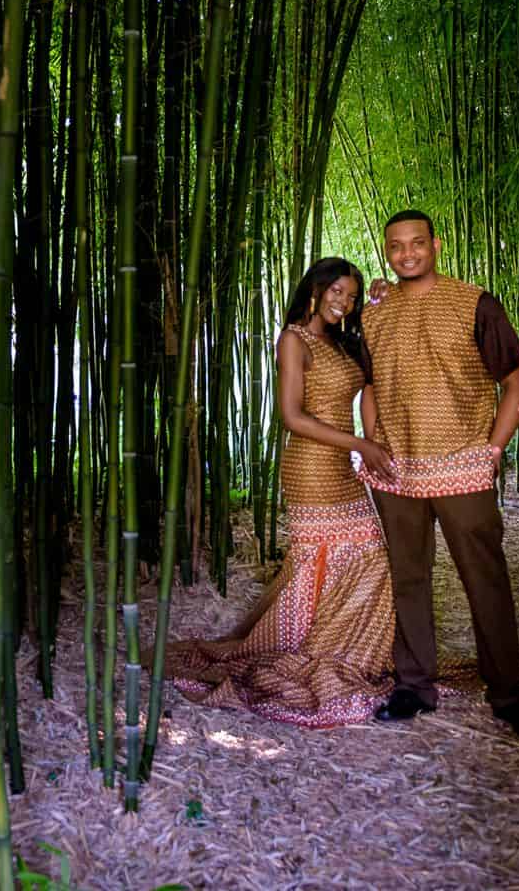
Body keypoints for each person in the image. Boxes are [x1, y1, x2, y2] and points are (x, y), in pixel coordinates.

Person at [163, 257, 398, 728]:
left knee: (367, 558)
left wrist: (382, 301)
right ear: (315, 289)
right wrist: (360, 445)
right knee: (326, 562)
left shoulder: (343, 341)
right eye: (337, 292)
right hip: (310, 465)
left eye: (351, 297)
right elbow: (292, 416)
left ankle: (343, 649)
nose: (344, 302)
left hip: (339, 463)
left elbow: (374, 377)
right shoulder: (294, 340)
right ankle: (317, 649)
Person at [360, 209, 519, 740]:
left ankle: (509, 695)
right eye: (396, 246)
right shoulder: (374, 314)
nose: (407, 254)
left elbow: (517, 382)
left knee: (484, 579)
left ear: (436, 245)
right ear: (386, 251)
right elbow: (370, 385)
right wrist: (373, 440)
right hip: (397, 469)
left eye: (416, 243)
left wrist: (494, 449)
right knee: (408, 578)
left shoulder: (475, 303)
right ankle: (413, 686)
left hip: (463, 466)